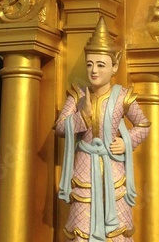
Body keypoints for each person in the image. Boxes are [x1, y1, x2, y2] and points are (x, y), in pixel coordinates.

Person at [54, 18, 151, 241]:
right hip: (84, 172)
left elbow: (143, 125)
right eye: (90, 64)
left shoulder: (122, 97)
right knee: (81, 231)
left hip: (113, 172)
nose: (94, 71)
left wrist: (125, 142)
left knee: (116, 231)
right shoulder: (77, 95)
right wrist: (83, 116)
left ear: (114, 67)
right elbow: (60, 127)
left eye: (100, 65)